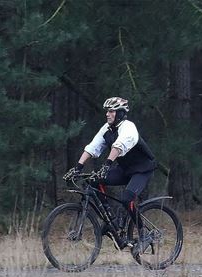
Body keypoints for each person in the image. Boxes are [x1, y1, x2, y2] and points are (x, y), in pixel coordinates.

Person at [63, 97, 156, 249]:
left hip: (142, 169)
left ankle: (144, 234)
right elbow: (92, 147)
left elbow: (119, 146)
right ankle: (111, 221)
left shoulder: (128, 127)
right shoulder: (107, 129)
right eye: (107, 111)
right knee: (94, 181)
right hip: (125, 169)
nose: (108, 114)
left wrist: (107, 165)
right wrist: (78, 168)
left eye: (111, 111)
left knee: (127, 199)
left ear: (120, 113)